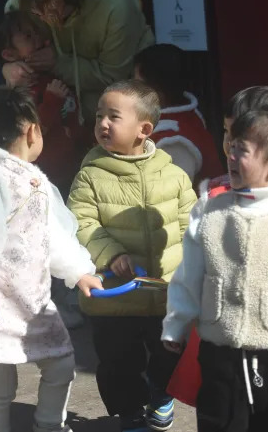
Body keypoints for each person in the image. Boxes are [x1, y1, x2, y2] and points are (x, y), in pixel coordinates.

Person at [0, 86, 102, 432]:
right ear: (32, 130)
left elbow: (53, 236)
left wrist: (78, 271)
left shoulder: (34, 183)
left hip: (30, 300)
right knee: (0, 385)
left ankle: (49, 425)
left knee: (60, 362)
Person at [162, 105, 268, 431]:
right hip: (222, 353)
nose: (230, 156)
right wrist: (175, 324)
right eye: (230, 146)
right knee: (220, 422)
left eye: (242, 150)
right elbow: (188, 276)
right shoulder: (209, 209)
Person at [68, 80, 196, 432]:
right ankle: (130, 413)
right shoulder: (90, 176)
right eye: (98, 117)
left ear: (144, 130)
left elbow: (192, 227)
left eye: (113, 116)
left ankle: (160, 392)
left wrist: (194, 272)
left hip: (165, 292)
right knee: (117, 361)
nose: (102, 124)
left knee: (171, 350)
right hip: (114, 298)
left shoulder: (173, 175)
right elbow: (81, 222)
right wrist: (111, 254)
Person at [4, 0, 154, 123]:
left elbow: (113, 77)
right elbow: (11, 47)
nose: (44, 19)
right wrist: (11, 67)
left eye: (53, 13)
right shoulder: (22, 4)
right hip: (57, 109)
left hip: (119, 106)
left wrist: (59, 63)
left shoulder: (117, 8)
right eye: (37, 13)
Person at [0, 11, 86, 195]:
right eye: (27, 36)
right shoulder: (21, 91)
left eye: (36, 31)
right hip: (48, 180)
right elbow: (31, 132)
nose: (38, 38)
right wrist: (52, 100)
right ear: (9, 55)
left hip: (76, 167)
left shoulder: (47, 73)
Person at [133, 43, 223, 185]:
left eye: (138, 85)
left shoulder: (175, 142)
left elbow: (170, 200)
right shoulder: (184, 116)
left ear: (158, 92)